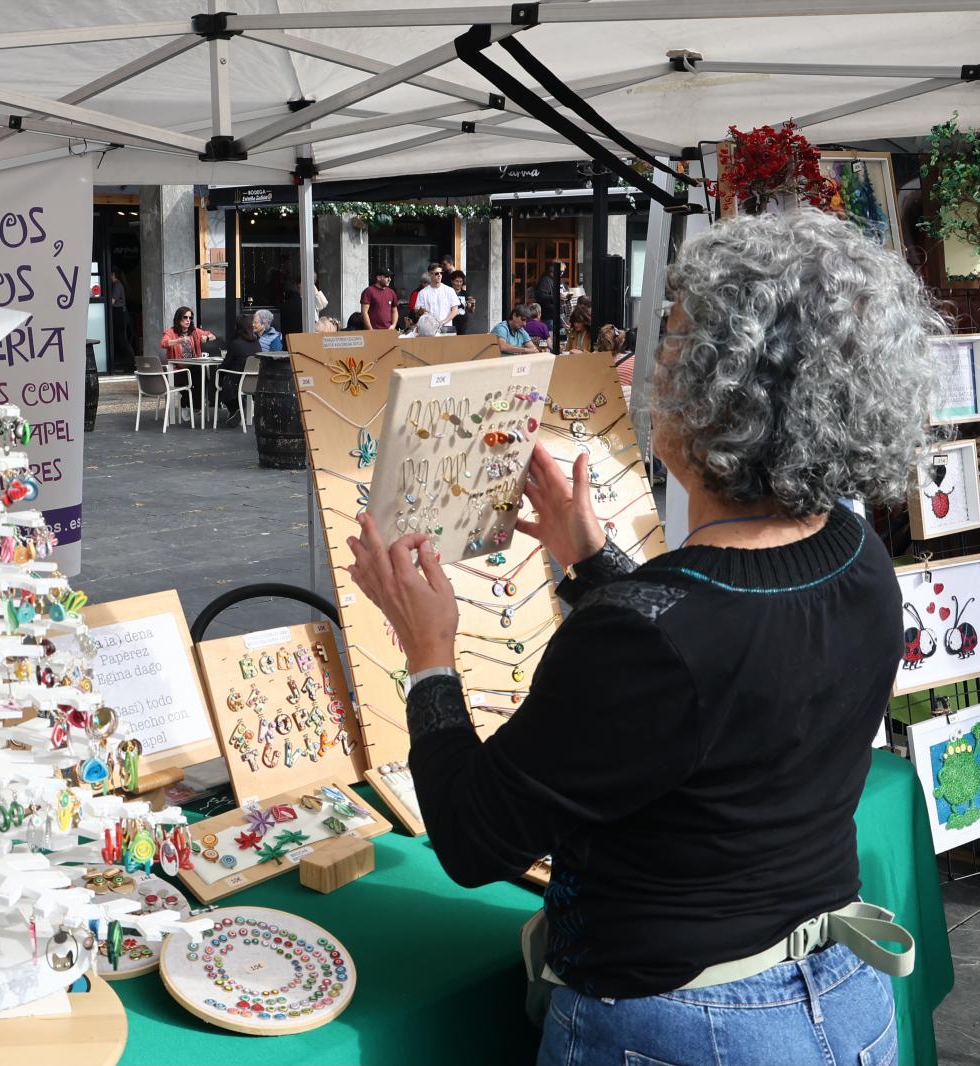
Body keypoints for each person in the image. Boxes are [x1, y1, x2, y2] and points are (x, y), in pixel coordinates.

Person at [342, 208, 935, 1066]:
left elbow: (474, 837)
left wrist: (429, 655)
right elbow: (720, 671)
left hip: (689, 1028)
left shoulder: (649, 635)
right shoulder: (856, 554)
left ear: (718, 391)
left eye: (675, 345)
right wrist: (587, 556)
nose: (652, 367)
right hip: (841, 998)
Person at [218, 312, 264, 420]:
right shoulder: (256, 342)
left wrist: (218, 370)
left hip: (237, 381)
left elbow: (227, 364)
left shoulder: (235, 343)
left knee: (220, 378)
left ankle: (235, 409)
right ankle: (238, 410)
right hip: (253, 381)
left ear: (237, 327)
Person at [414, 264, 461, 332]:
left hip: (446, 328)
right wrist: (420, 311)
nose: (439, 275)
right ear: (430, 274)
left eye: (441, 273)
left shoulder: (449, 290)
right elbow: (418, 311)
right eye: (436, 273)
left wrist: (443, 322)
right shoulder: (423, 293)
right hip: (429, 329)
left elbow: (455, 310)